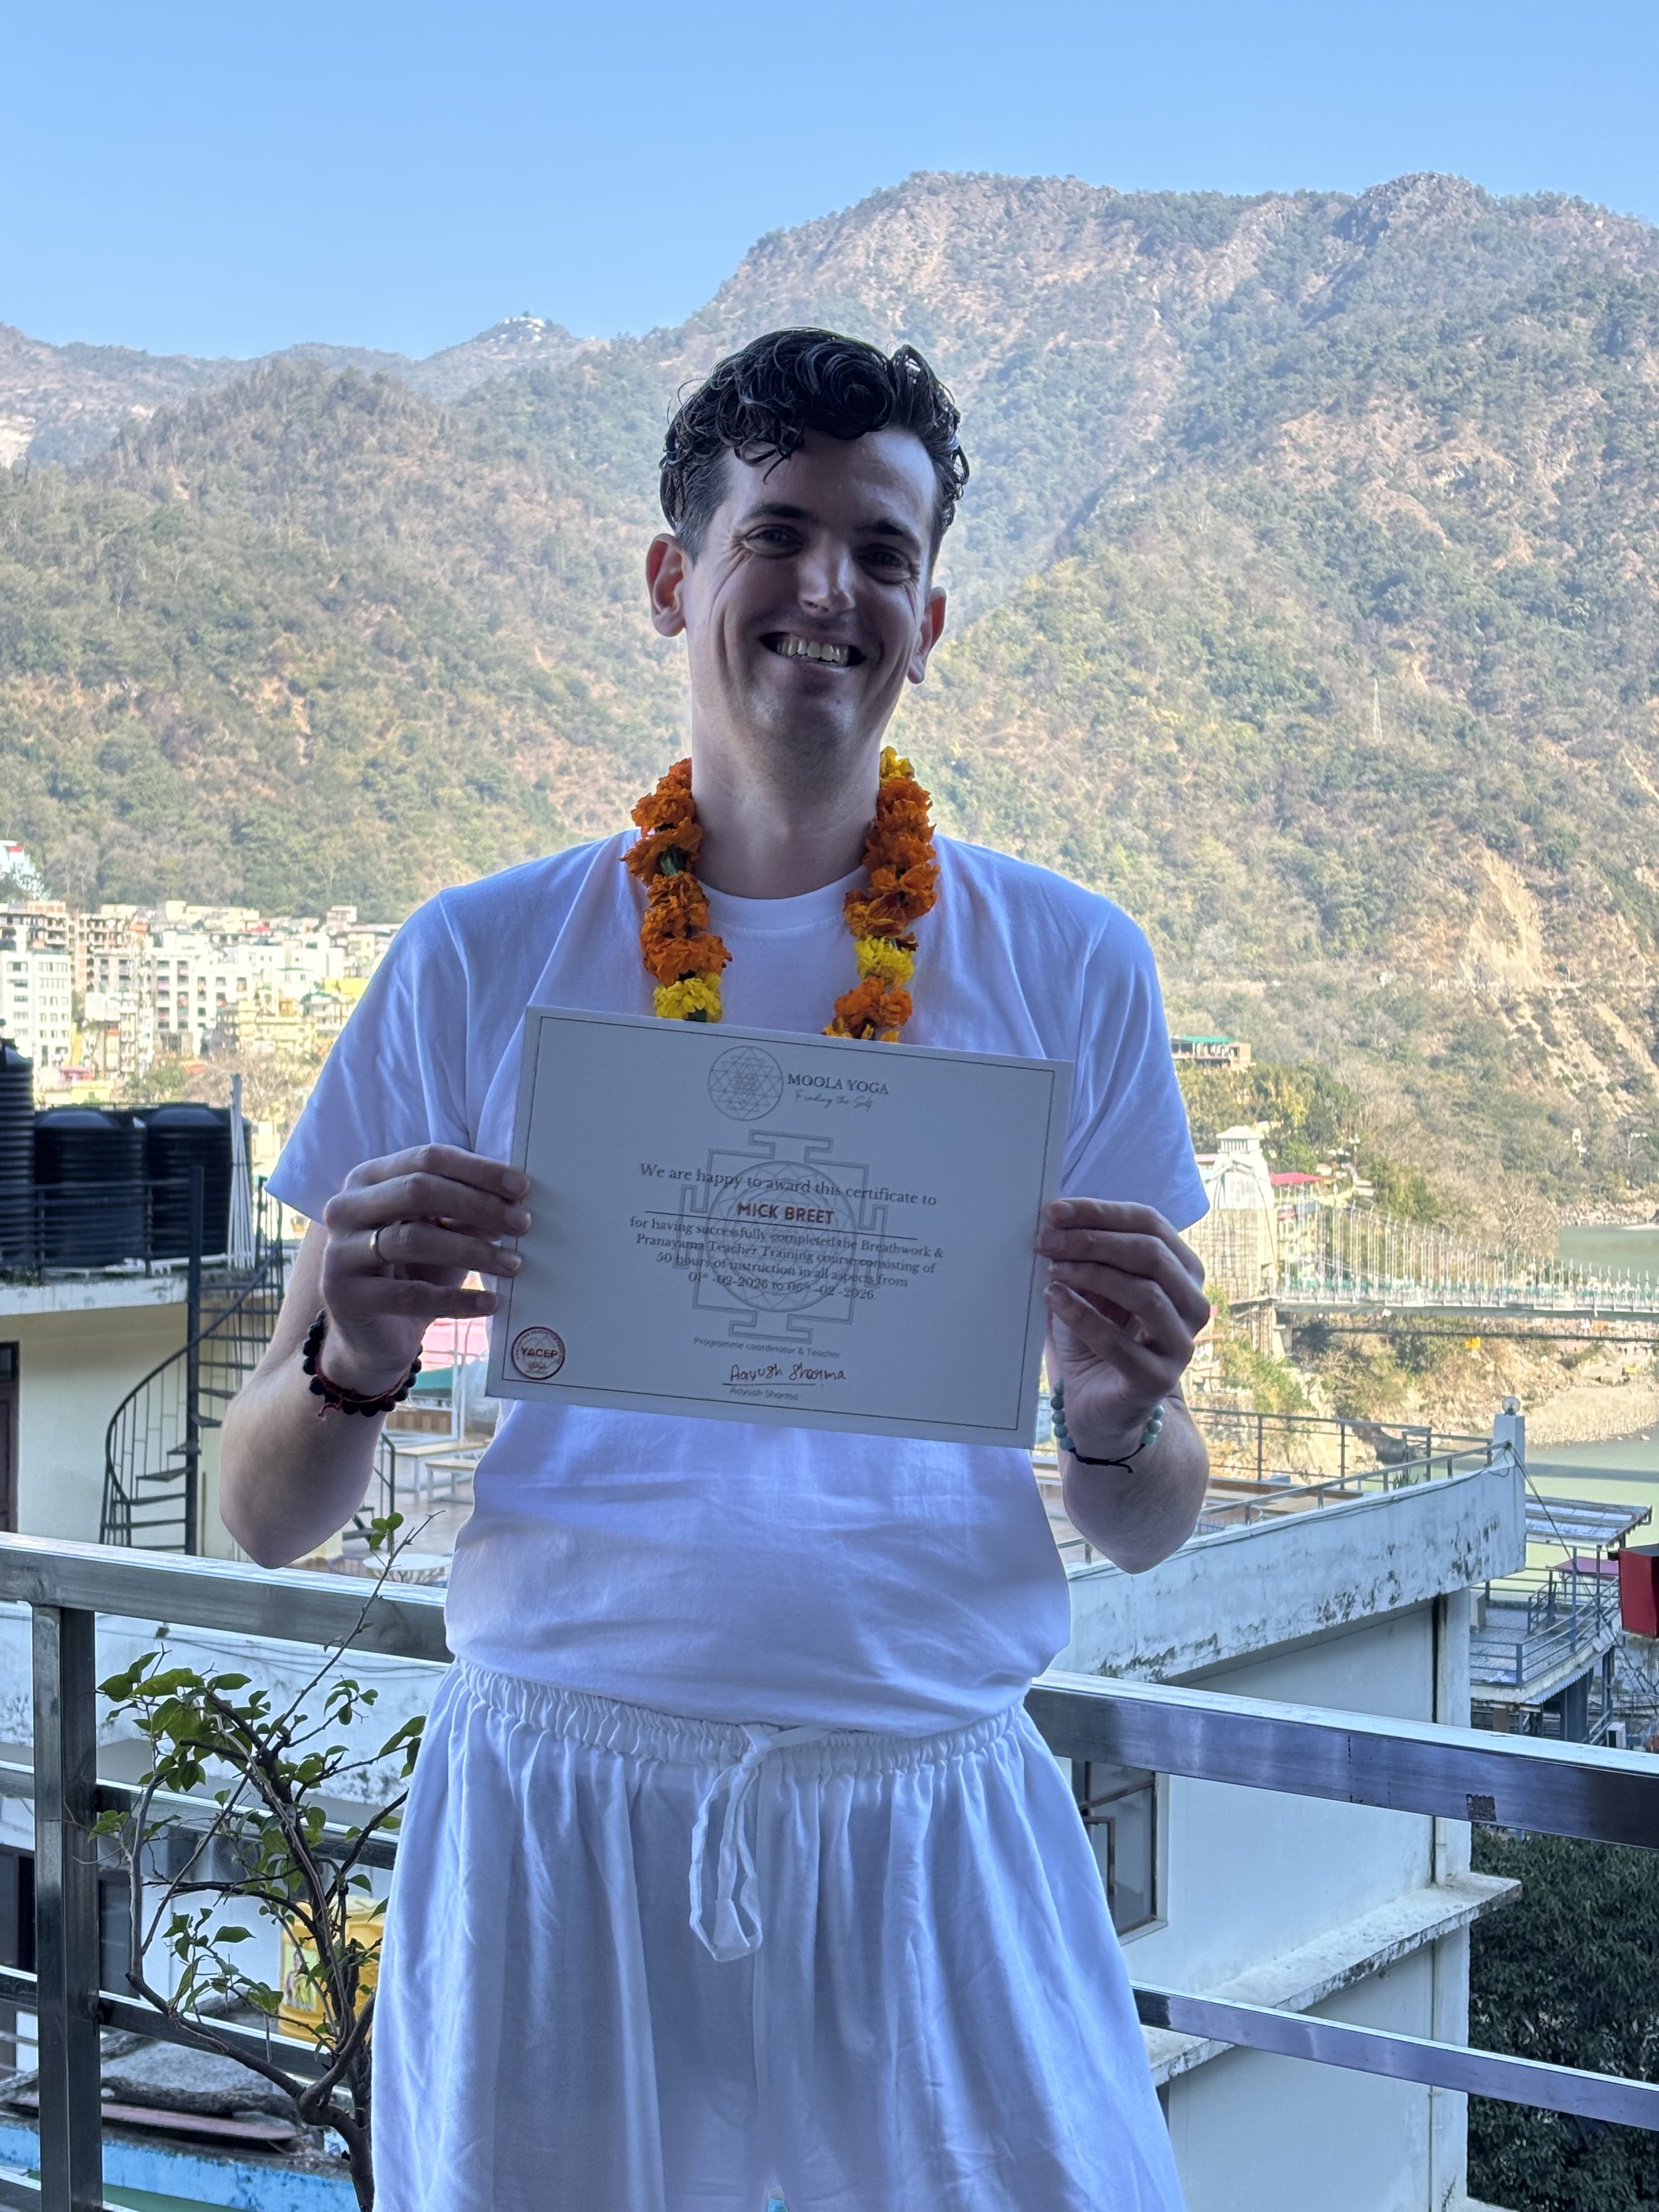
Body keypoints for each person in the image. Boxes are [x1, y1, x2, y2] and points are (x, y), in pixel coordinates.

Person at [222, 329, 1212, 2212]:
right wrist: (356, 1352)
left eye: (882, 551)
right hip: (558, 1803)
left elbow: (1149, 1520)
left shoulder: (1074, 965)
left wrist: (1115, 1414)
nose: (831, 589)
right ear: (675, 579)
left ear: (930, 618)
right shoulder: (477, 955)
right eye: (779, 534)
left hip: (929, 1806)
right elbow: (267, 1517)